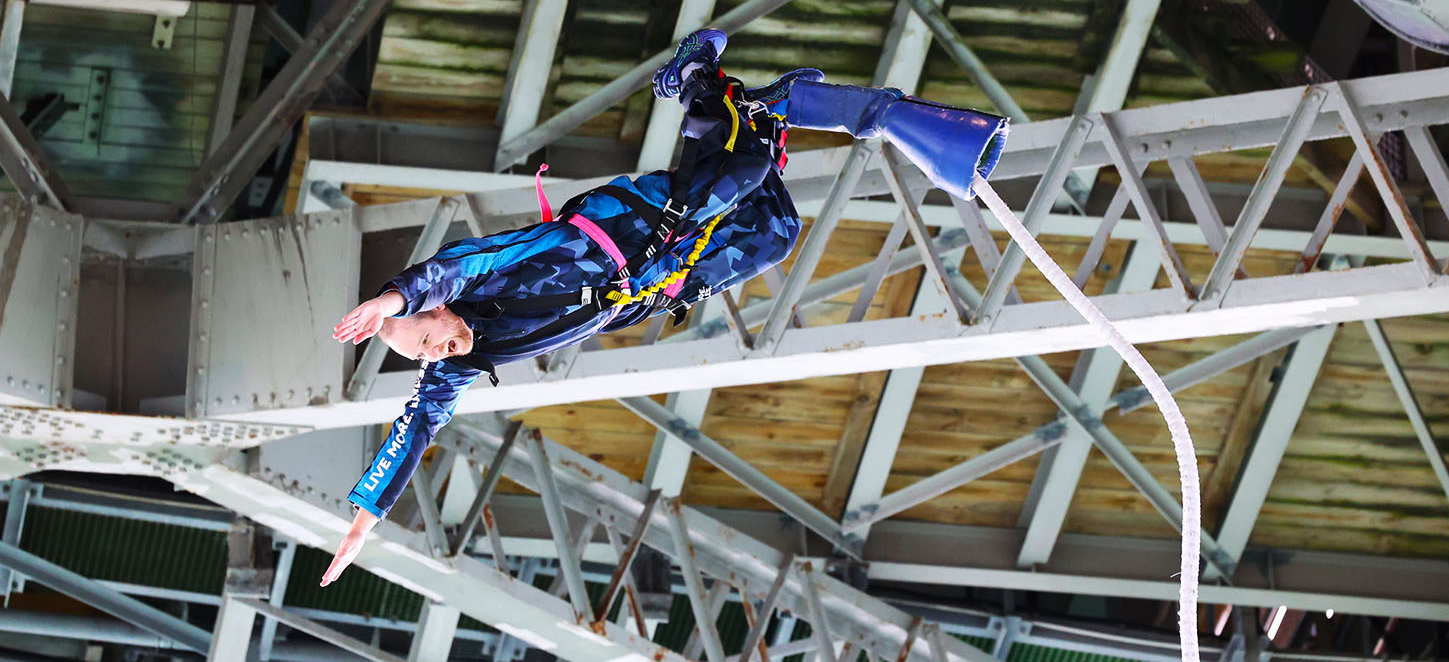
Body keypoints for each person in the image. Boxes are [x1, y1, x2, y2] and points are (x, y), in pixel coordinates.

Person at [318, 29, 1008, 586]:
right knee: (773, 231)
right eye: (426, 356)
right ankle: (735, 102)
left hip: (641, 224)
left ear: (437, 314)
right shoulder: (458, 370)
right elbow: (413, 432)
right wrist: (364, 519)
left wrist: (391, 298)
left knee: (739, 168)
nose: (437, 352)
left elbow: (452, 268)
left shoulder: (482, 281)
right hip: (663, 277)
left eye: (428, 337)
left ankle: (707, 82)